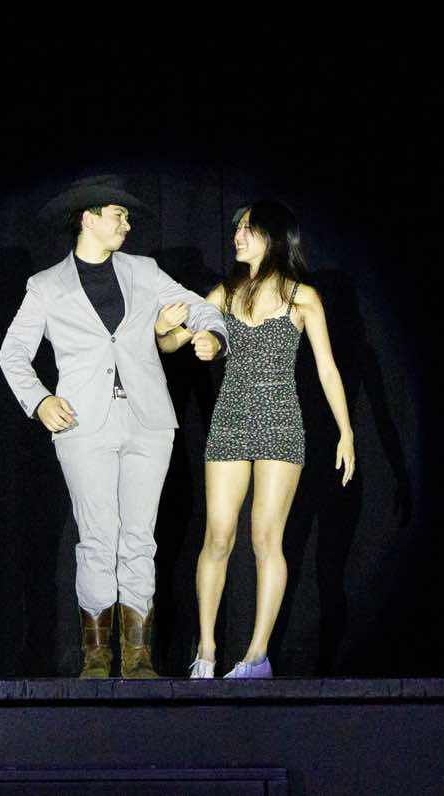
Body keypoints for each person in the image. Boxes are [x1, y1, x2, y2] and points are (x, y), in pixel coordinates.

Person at [0, 175, 229, 678]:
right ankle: (98, 658)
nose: (127, 224)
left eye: (126, 217)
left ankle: (139, 658)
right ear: (89, 219)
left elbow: (202, 306)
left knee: (140, 538)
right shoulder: (47, 285)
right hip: (83, 423)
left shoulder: (143, 271)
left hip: (148, 421)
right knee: (98, 537)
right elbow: (12, 353)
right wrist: (39, 400)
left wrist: (212, 334)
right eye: (118, 215)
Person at [155, 200, 356, 678]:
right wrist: (166, 331)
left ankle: (256, 656)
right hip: (230, 420)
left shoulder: (302, 298)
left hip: (280, 421)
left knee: (266, 537)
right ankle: (206, 651)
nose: (237, 236)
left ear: (274, 236)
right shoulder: (225, 294)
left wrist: (346, 431)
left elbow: (328, 369)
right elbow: (173, 342)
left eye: (248, 229)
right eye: (238, 229)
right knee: (218, 534)